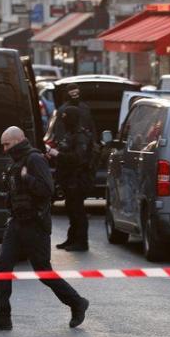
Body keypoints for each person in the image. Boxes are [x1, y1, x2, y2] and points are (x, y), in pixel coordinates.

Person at [0, 126, 89, 331]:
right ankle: (2, 316)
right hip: (16, 223)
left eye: (7, 144)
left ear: (18, 140)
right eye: (2, 145)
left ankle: (76, 302)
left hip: (35, 224)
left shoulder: (34, 159)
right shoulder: (16, 161)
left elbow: (47, 190)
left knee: (43, 271)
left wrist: (26, 178)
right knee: (2, 268)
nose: (4, 149)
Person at [48, 106, 93, 252]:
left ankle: (81, 241)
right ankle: (72, 238)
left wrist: (57, 155)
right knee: (71, 208)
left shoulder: (81, 136)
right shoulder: (69, 134)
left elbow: (78, 158)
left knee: (77, 210)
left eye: (67, 118)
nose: (64, 121)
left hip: (78, 179)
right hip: (68, 179)